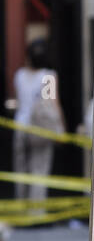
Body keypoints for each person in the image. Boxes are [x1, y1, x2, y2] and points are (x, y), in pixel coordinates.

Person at [13, 38, 65, 202]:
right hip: (40, 128)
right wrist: (61, 128)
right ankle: (36, 212)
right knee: (39, 169)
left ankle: (21, 207)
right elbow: (53, 104)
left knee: (20, 170)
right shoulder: (48, 76)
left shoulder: (19, 75)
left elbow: (19, 101)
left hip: (20, 126)